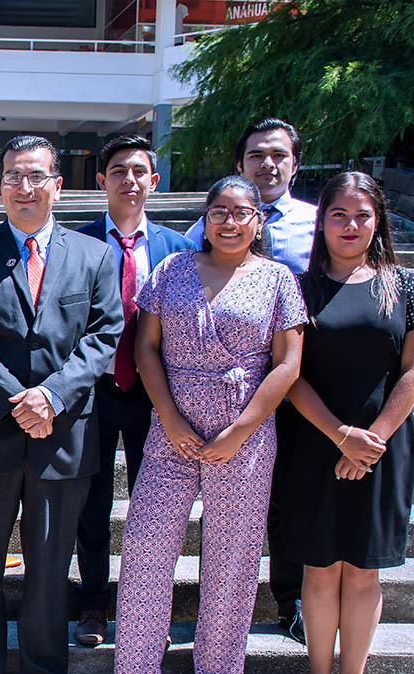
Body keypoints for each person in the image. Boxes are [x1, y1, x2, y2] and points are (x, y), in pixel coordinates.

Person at [106, 176, 305, 674]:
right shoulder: (171, 271)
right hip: (172, 426)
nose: (230, 222)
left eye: (242, 212)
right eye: (219, 211)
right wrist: (168, 416)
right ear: (206, 218)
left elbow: (288, 363)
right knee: (146, 546)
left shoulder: (278, 279)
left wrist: (240, 430)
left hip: (246, 431)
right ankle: (132, 668)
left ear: (258, 221)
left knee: (231, 557)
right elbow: (145, 347)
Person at [0, 135, 123, 674]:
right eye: (14, 176)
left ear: (58, 184)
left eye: (37, 176)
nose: (26, 187)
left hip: (61, 436)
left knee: (49, 569)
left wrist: (50, 396)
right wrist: (15, 399)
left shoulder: (95, 256)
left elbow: (104, 336)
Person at [277, 172, 414, 674]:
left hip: (383, 446)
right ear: (321, 221)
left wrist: (372, 440)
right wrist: (340, 435)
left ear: (378, 222)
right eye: (338, 214)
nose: (350, 225)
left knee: (364, 570)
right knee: (318, 569)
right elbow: (288, 374)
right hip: (314, 442)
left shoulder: (405, 285)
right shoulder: (298, 286)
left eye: (361, 215)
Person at [185, 117, 317, 644]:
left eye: (280, 155)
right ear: (240, 163)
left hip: (302, 376)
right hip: (226, 387)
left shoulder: (317, 223)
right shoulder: (206, 229)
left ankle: (292, 600)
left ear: (295, 163)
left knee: (293, 496)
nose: (269, 163)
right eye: (258, 155)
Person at [71, 134, 194, 647]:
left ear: (154, 181)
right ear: (102, 181)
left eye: (139, 171)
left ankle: (148, 606)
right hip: (93, 392)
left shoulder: (180, 250)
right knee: (90, 505)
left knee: (157, 507)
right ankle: (95, 603)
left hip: (157, 396)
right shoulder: (75, 243)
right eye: (118, 171)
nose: (130, 180)